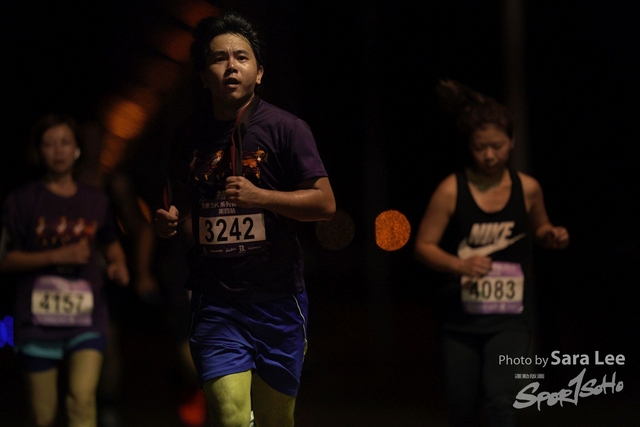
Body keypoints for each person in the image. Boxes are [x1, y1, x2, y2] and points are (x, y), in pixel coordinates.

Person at [152, 11, 336, 427]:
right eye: (219, 58)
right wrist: (168, 220)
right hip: (216, 302)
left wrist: (260, 197)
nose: (231, 66)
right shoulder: (188, 135)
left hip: (278, 300)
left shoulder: (287, 129)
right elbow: (177, 203)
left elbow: (325, 204)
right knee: (230, 416)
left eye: (241, 57)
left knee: (275, 420)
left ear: (259, 72)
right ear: (203, 76)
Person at [414, 79, 569, 427]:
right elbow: (423, 246)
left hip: (511, 319)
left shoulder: (528, 188)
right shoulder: (451, 190)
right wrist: (460, 264)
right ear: (469, 146)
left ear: (511, 141)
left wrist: (551, 235)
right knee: (461, 409)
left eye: (497, 146)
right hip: (460, 321)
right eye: (480, 147)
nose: (489, 155)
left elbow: (540, 228)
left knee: (501, 401)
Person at [0, 113, 130, 427]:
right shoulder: (22, 200)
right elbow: (4, 259)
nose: (58, 150)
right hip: (36, 320)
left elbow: (110, 243)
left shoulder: (96, 200)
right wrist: (56, 255)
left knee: (81, 400)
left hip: (86, 317)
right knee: (43, 415)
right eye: (49, 143)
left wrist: (119, 263)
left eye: (65, 142)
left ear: (77, 149)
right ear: (38, 151)